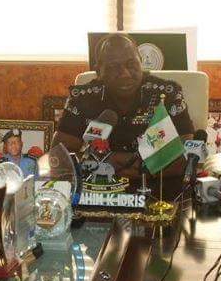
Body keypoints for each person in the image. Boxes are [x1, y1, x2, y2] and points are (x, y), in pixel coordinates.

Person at [52, 33, 194, 178]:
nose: (125, 74)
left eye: (131, 64)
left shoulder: (167, 94)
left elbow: (188, 156)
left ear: (141, 62)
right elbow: (59, 157)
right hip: (100, 185)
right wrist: (100, 164)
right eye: (113, 67)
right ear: (99, 71)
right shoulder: (82, 98)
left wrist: (136, 168)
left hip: (159, 187)